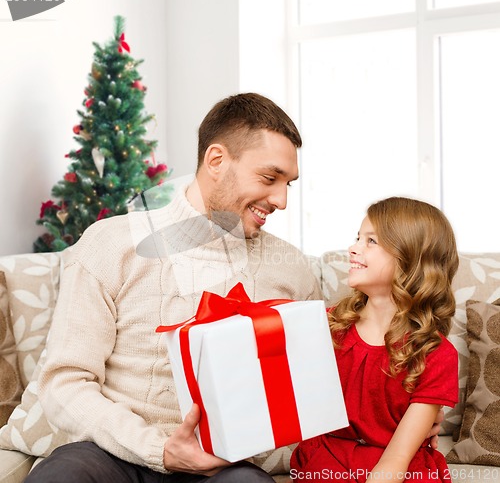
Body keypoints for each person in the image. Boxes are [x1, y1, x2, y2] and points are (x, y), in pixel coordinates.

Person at [25, 94, 442, 483]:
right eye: (269, 177)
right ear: (216, 160)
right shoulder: (110, 245)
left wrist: (411, 418)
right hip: (113, 455)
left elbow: (323, 382)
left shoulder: (291, 268)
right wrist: (160, 450)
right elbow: (65, 383)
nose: (280, 200)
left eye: (288, 183)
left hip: (228, 466)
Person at [290, 197, 459, 483]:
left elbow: (396, 459)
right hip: (329, 460)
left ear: (411, 260)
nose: (353, 248)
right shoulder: (325, 327)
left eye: (371, 241)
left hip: (398, 468)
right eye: (358, 238)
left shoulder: (437, 354)